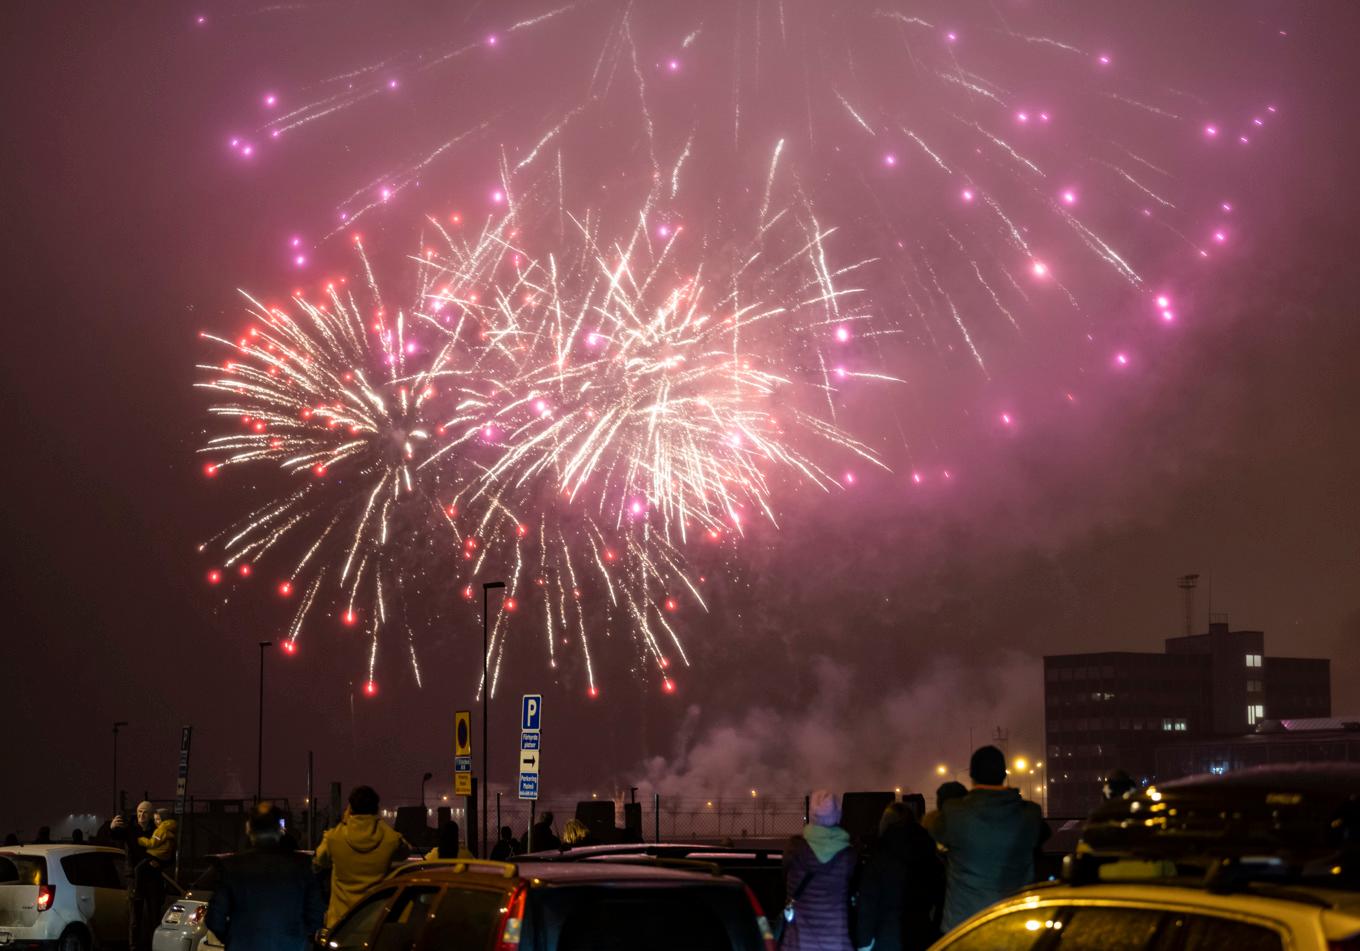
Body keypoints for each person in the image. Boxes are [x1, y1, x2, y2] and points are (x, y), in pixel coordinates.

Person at [931, 747, 1048, 933]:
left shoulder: (954, 813)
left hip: (964, 927)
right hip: (1013, 922)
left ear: (972, 775)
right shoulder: (1030, 815)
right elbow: (1044, 834)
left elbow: (933, 832)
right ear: (1003, 774)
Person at [206, 804, 324, 951]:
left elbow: (215, 918)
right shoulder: (302, 864)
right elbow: (316, 914)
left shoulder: (231, 866)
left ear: (249, 828)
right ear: (280, 830)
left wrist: (233, 938)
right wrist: (298, 935)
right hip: (290, 945)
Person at [313, 786, 408, 928]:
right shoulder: (390, 838)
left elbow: (318, 862)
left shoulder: (333, 837)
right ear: (376, 810)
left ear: (350, 808)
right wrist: (381, 823)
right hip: (374, 921)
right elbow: (405, 852)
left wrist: (344, 822)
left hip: (340, 924)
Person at [855, 802, 945, 951]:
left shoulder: (880, 856)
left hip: (886, 936)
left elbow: (868, 903)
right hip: (921, 933)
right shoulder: (928, 852)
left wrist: (864, 942)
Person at [779, 789, 856, 951]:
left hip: (799, 943)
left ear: (812, 815)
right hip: (835, 943)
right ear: (838, 816)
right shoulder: (847, 857)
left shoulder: (794, 851)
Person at [111, 801, 161, 951]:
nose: (141, 815)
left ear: (151, 814)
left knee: (154, 916)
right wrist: (112, 827)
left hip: (152, 877)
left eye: (145, 812)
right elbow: (116, 835)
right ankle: (133, 946)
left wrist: (160, 862)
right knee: (135, 916)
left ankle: (154, 945)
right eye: (139, 811)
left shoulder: (157, 831)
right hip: (134, 877)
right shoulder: (131, 830)